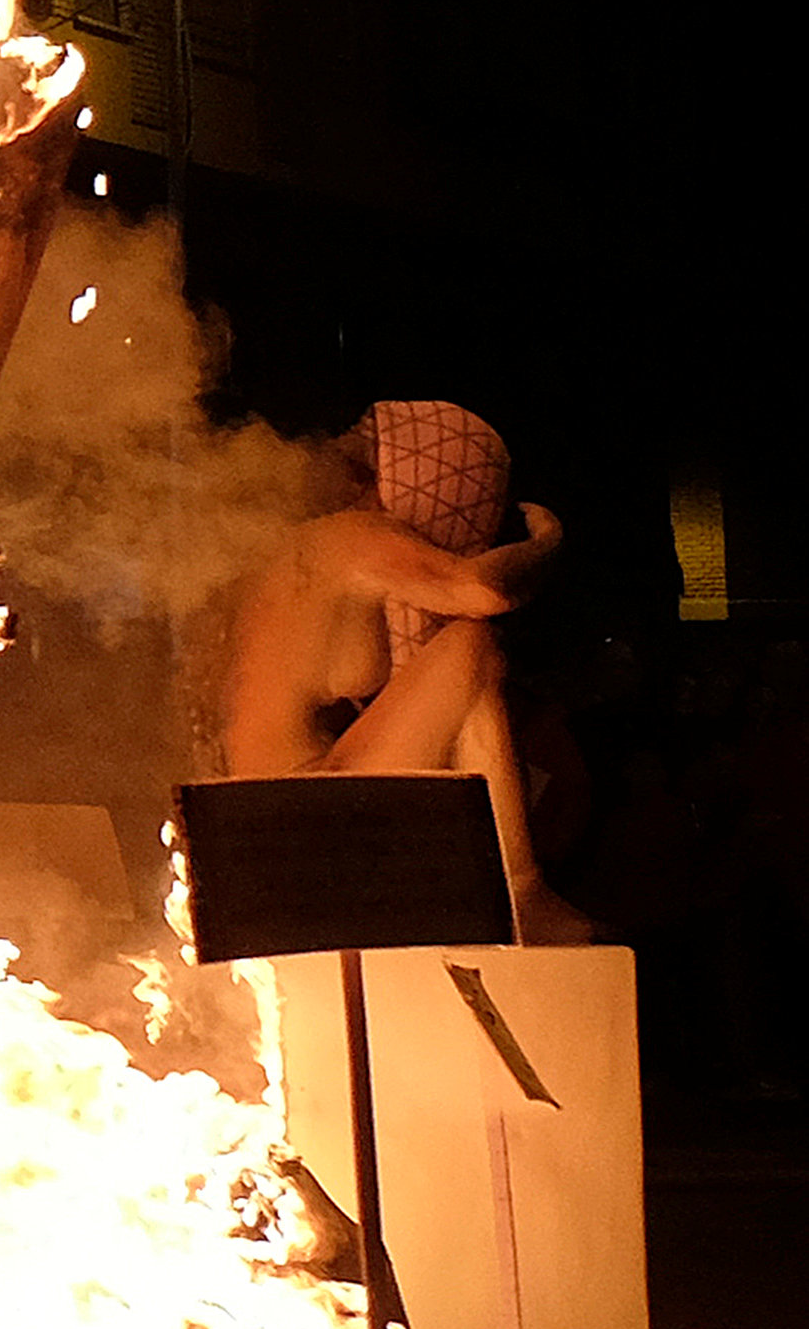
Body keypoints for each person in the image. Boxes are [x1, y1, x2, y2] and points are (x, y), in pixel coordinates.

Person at [220, 399, 587, 943]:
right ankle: (520, 888)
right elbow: (483, 590)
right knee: (470, 642)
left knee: (457, 664)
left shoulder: (295, 555)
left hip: (261, 810)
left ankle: (500, 887)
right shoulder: (347, 538)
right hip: (294, 804)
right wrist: (547, 542)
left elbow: (346, 678)